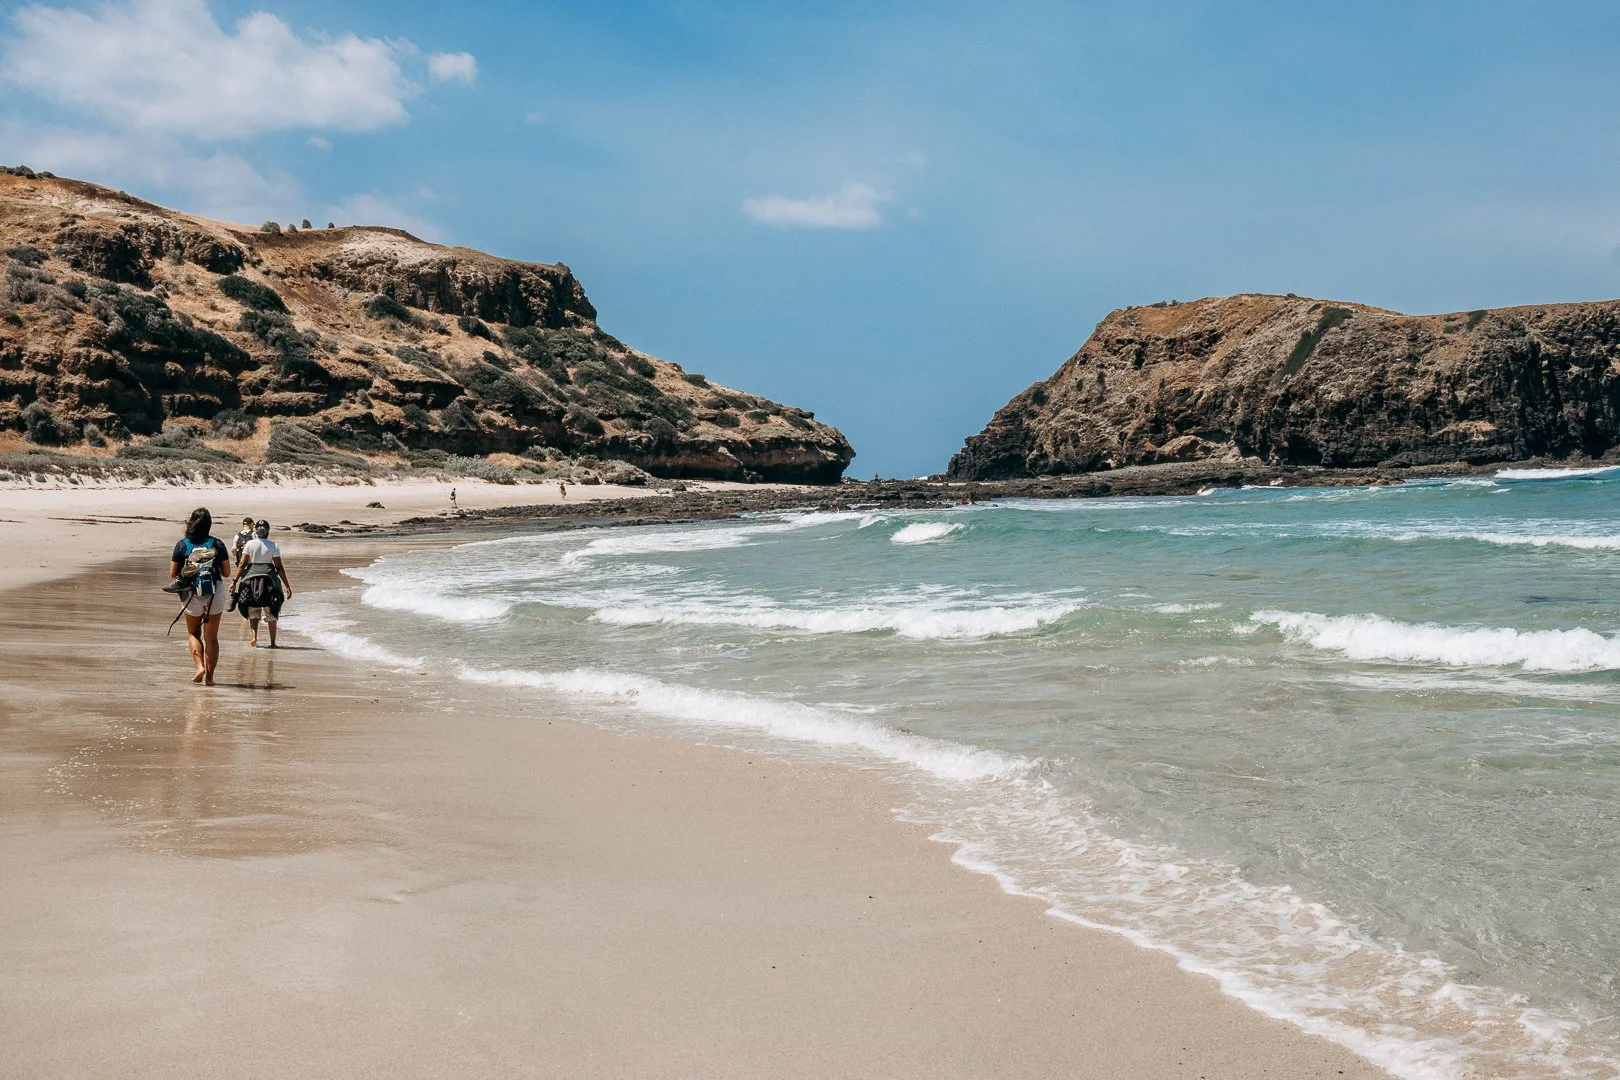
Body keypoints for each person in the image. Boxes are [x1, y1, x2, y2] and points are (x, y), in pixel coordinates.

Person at [168, 507, 230, 685]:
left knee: (193, 632)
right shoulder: (217, 544)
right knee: (212, 637)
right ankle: (210, 677)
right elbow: (226, 573)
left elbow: (173, 573)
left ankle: (199, 667)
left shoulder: (182, 544)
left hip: (191, 593)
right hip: (214, 592)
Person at [233, 519, 292, 648]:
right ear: (267, 531)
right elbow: (279, 567)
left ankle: (254, 637)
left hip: (251, 580)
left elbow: (242, 564)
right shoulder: (273, 545)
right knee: (271, 611)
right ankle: (272, 643)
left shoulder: (249, 544)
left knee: (253, 609)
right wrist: (287, 586)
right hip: (269, 582)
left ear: (256, 531)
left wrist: (235, 581)